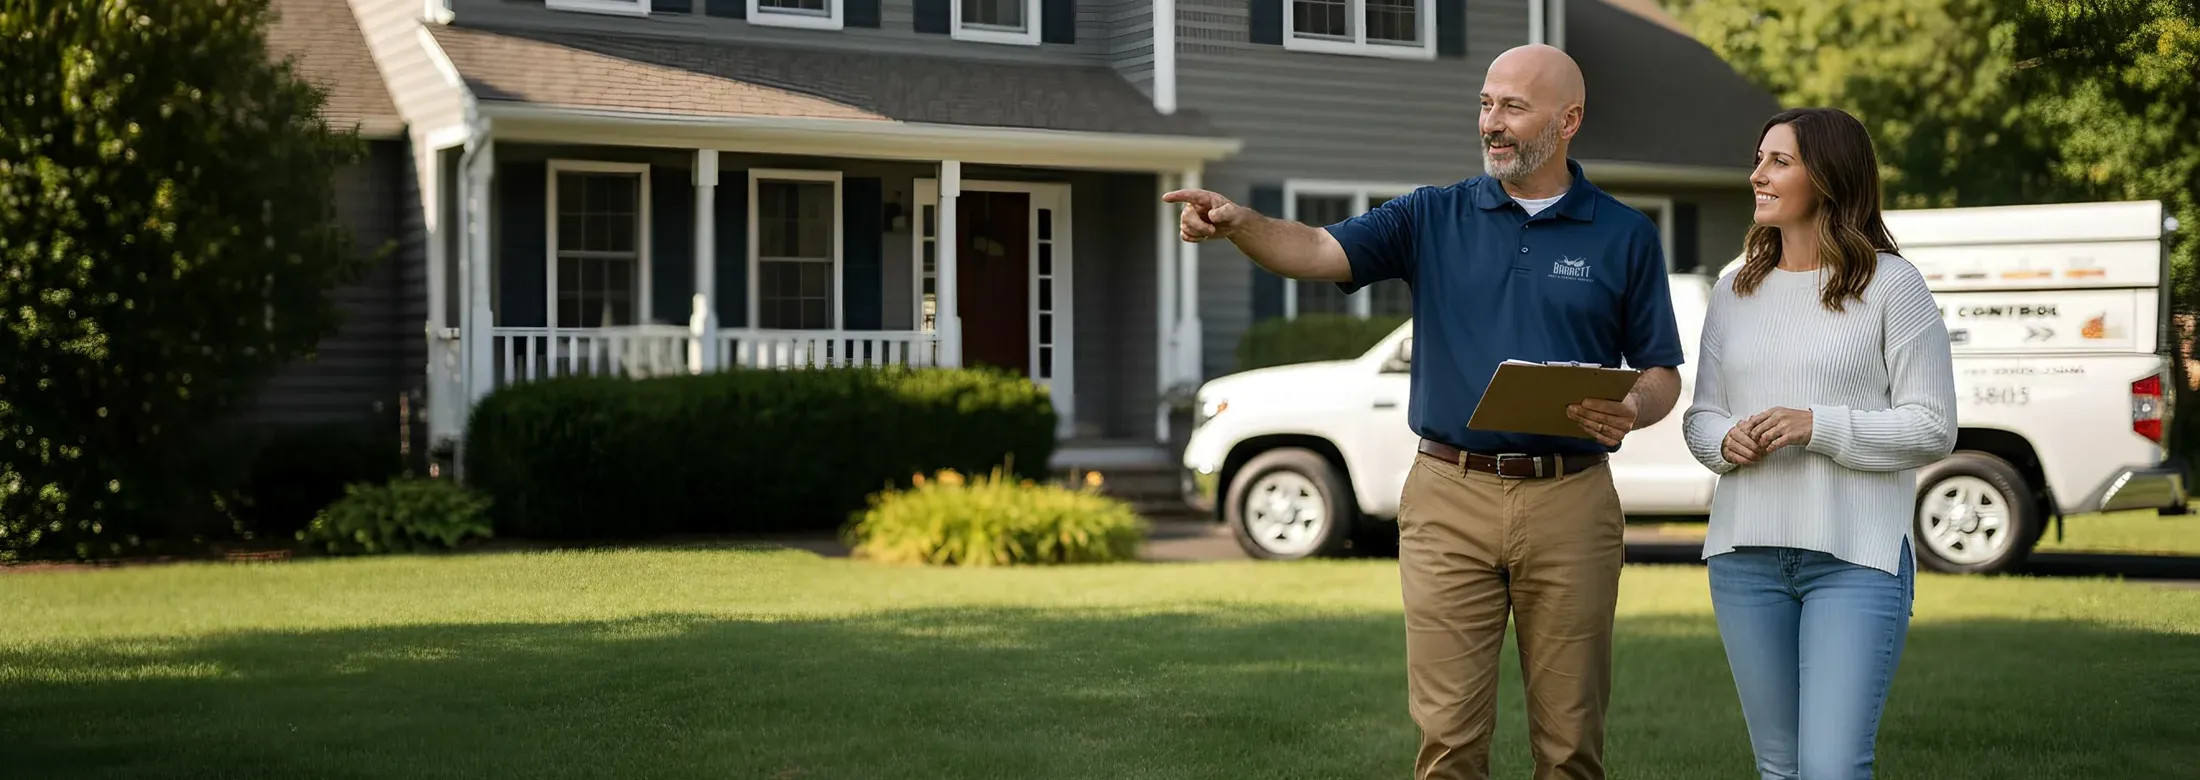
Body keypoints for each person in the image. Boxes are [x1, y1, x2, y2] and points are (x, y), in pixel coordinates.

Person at [1165, 44, 1685, 780]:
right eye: (1484, 103)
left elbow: (1661, 369)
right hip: (1449, 497)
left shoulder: (1624, 233)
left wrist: (1632, 407)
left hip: (1572, 499)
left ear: (1568, 120)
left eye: (1512, 106)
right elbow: (1316, 248)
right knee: (1447, 745)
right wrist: (1242, 223)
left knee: (1571, 747)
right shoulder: (1430, 215)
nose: (1490, 123)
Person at [1680, 107, 1957, 780]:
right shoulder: (1734, 289)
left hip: (1855, 561)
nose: (1758, 175)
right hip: (1744, 558)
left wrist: (1819, 426)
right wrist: (1727, 440)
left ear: (1829, 177)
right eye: (1758, 158)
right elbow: (1701, 417)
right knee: (1779, 768)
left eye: (1780, 161)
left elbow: (1934, 426)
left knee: (1831, 768)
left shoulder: (1894, 286)